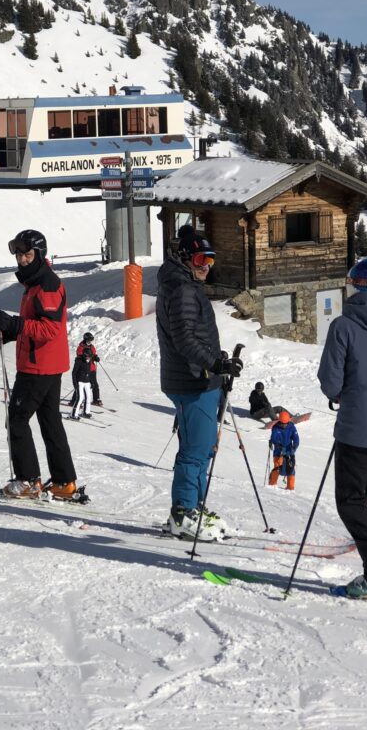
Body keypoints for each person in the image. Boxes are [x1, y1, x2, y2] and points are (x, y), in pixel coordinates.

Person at [156, 224, 243, 540]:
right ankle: (183, 513)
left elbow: (193, 336)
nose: (205, 266)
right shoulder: (182, 291)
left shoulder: (183, 286)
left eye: (210, 260)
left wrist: (218, 360)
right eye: (199, 259)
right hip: (193, 382)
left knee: (202, 448)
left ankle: (194, 506)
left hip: (199, 379)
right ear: (183, 257)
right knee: (195, 450)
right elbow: (185, 340)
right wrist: (216, 362)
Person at [318, 253, 367, 599]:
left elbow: (330, 383)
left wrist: (341, 392)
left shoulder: (344, 325)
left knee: (351, 500)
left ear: (356, 285)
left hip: (358, 430)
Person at [0, 228, 79, 500]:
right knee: (50, 422)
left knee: (17, 420)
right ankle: (64, 483)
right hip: (47, 363)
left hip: (38, 366)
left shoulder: (46, 284)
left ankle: (28, 481)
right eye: (19, 254)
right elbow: (37, 323)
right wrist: (11, 332)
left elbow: (50, 328)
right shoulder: (35, 282)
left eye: (28, 254)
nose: (22, 260)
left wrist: (16, 324)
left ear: (39, 254)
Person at [268, 410, 299, 489]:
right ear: (279, 421)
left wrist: (294, 448)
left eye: (286, 423)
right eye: (282, 423)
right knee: (277, 468)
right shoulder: (275, 427)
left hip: (289, 452)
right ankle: (272, 485)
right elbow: (274, 439)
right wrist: (278, 445)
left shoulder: (292, 427)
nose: (284, 425)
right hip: (278, 452)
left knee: (291, 469)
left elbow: (296, 439)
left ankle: (290, 487)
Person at [70, 333, 99, 419]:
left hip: (87, 379)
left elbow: (93, 355)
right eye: (89, 340)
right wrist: (75, 383)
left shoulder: (90, 355)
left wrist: (95, 357)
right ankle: (74, 413)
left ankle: (86, 412)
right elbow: (74, 372)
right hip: (80, 379)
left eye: (91, 340)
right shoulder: (80, 350)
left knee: (88, 397)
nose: (90, 342)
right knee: (80, 397)